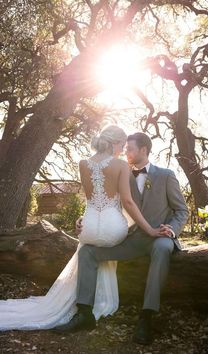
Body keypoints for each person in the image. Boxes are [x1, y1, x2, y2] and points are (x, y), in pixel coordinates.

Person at [0, 125, 165, 332]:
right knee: (109, 236)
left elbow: (92, 201)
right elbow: (127, 202)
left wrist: (83, 220)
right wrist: (149, 230)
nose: (123, 150)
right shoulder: (121, 165)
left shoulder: (83, 164)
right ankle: (100, 303)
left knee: (87, 250)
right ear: (114, 143)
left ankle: (84, 311)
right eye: (122, 146)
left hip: (87, 228)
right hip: (113, 231)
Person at [56, 131, 189, 345]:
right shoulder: (121, 171)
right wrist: (85, 219)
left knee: (163, 248)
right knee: (87, 251)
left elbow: (182, 210)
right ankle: (84, 313)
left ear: (144, 150)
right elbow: (104, 201)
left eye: (130, 149)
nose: (125, 151)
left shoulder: (166, 175)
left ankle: (146, 317)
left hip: (160, 237)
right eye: (124, 148)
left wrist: (171, 230)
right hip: (132, 239)